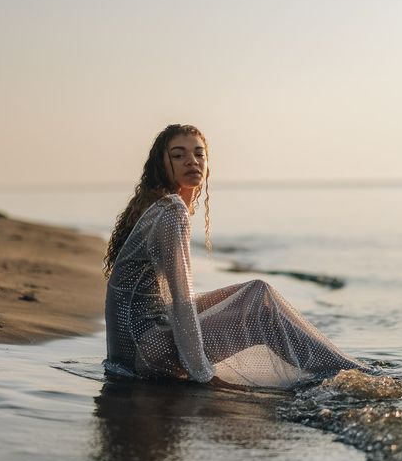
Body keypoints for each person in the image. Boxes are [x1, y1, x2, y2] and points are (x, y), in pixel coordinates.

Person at [104, 124, 368, 388]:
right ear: (160, 164)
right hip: (148, 356)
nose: (192, 161)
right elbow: (182, 300)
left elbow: (165, 302)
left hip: (131, 355)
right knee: (258, 309)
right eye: (178, 155)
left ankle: (342, 371)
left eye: (199, 154)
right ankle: (351, 375)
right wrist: (203, 374)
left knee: (257, 292)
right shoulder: (171, 210)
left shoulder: (157, 206)